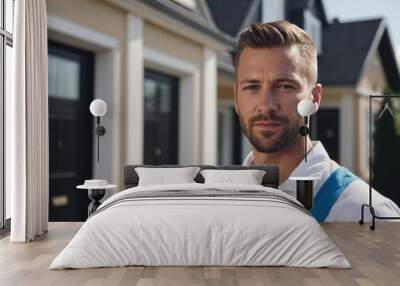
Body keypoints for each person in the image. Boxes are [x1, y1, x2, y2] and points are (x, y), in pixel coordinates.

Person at [235, 21, 400, 221]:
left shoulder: (366, 214)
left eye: (285, 86)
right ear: (236, 98)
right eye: (252, 86)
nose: (266, 105)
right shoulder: (221, 205)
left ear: (314, 98)